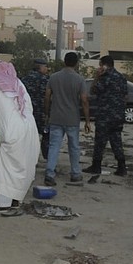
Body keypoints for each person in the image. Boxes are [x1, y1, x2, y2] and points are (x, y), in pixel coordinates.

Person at [0, 61, 40, 213]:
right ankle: (16, 200)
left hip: (10, 130)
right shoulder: (17, 82)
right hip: (28, 128)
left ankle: (3, 203)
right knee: (23, 164)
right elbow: (28, 105)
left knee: (5, 167)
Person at [43, 52, 91, 186]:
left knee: (54, 146)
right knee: (74, 147)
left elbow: (47, 97)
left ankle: (49, 173)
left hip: (56, 117)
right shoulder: (79, 79)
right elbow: (84, 100)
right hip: (72, 118)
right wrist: (87, 120)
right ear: (76, 63)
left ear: (64, 61)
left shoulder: (53, 77)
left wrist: (47, 114)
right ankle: (75, 173)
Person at [83, 55, 128, 176]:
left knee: (100, 141)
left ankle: (96, 166)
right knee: (116, 141)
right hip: (117, 115)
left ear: (104, 65)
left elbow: (93, 90)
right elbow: (125, 95)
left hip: (105, 115)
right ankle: (122, 167)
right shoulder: (121, 77)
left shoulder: (104, 77)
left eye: (100, 65)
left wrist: (97, 77)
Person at [21, 58, 50, 160]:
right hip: (42, 112)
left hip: (27, 113)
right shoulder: (46, 80)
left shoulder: (24, 79)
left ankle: (28, 157)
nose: (47, 69)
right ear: (40, 67)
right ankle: (47, 157)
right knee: (46, 135)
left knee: (28, 136)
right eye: (46, 66)